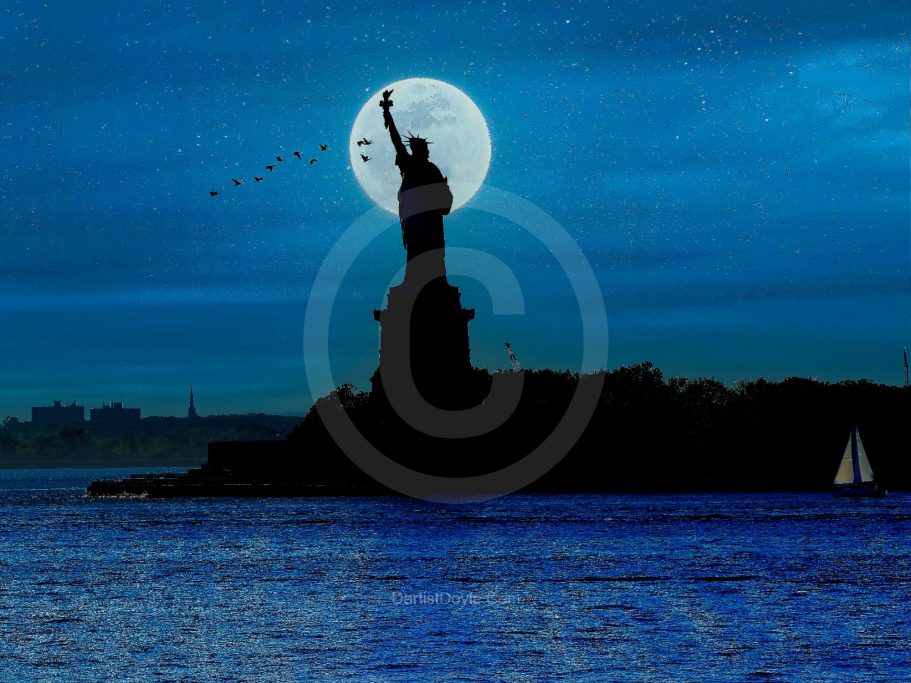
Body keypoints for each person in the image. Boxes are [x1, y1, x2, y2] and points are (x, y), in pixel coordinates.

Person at [380, 93, 453, 280]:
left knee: (435, 247)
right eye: (423, 148)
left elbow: (443, 194)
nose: (427, 150)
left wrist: (444, 192)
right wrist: (387, 112)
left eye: (426, 148)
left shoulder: (432, 168)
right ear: (417, 150)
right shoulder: (409, 163)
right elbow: (396, 140)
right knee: (417, 246)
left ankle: (436, 282)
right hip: (415, 213)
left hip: (431, 215)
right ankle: (415, 282)